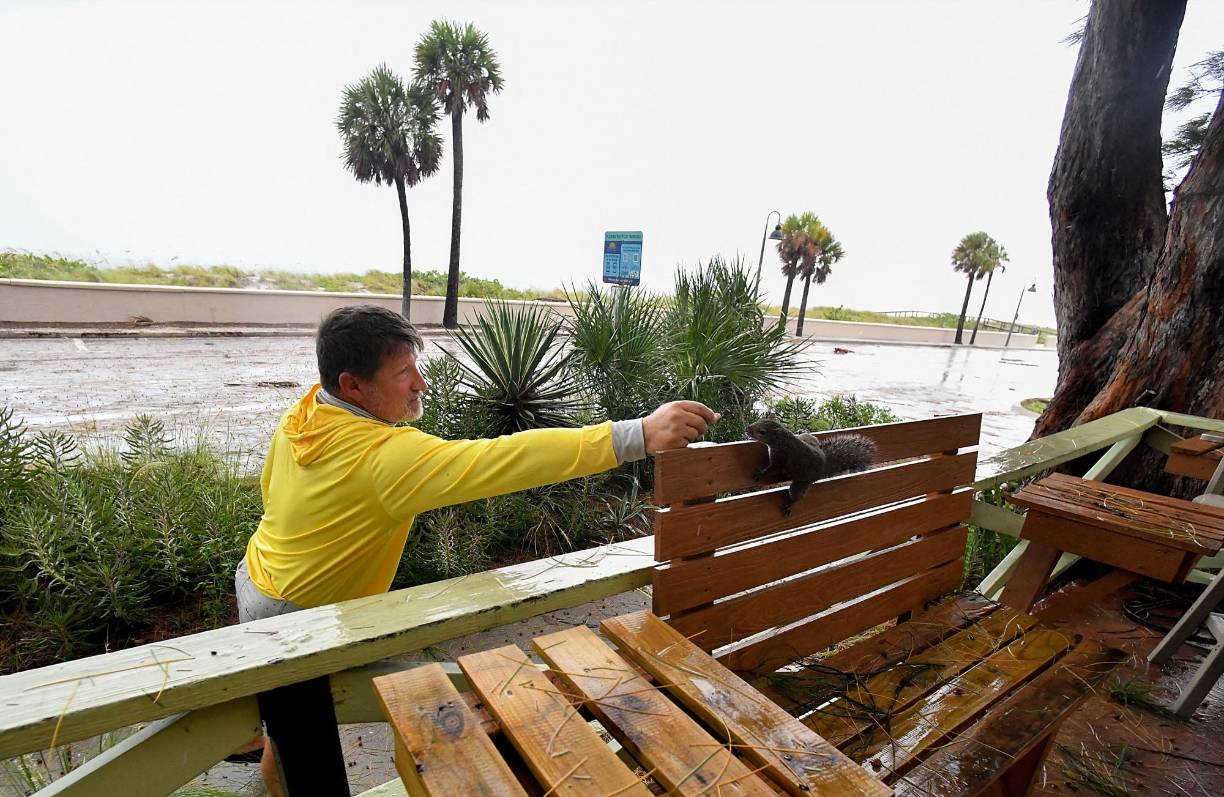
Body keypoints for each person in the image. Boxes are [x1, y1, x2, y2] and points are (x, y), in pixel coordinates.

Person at [233, 304, 718, 795]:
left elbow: (269, 489)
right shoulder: (381, 458)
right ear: (352, 385)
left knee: (284, 732)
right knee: (308, 765)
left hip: (257, 576)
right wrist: (637, 434)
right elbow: (507, 459)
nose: (420, 384)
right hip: (296, 621)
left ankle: (264, 737)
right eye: (403, 373)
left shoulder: (308, 413)